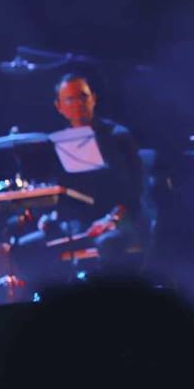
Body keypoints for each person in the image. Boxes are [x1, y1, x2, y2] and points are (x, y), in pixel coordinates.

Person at [48, 73, 146, 271]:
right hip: (81, 222)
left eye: (83, 97)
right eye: (70, 99)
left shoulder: (117, 136)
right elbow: (59, 192)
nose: (78, 103)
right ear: (59, 106)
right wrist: (48, 216)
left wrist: (112, 218)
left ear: (93, 98)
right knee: (29, 245)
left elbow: (135, 188)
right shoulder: (56, 143)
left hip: (122, 220)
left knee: (107, 243)